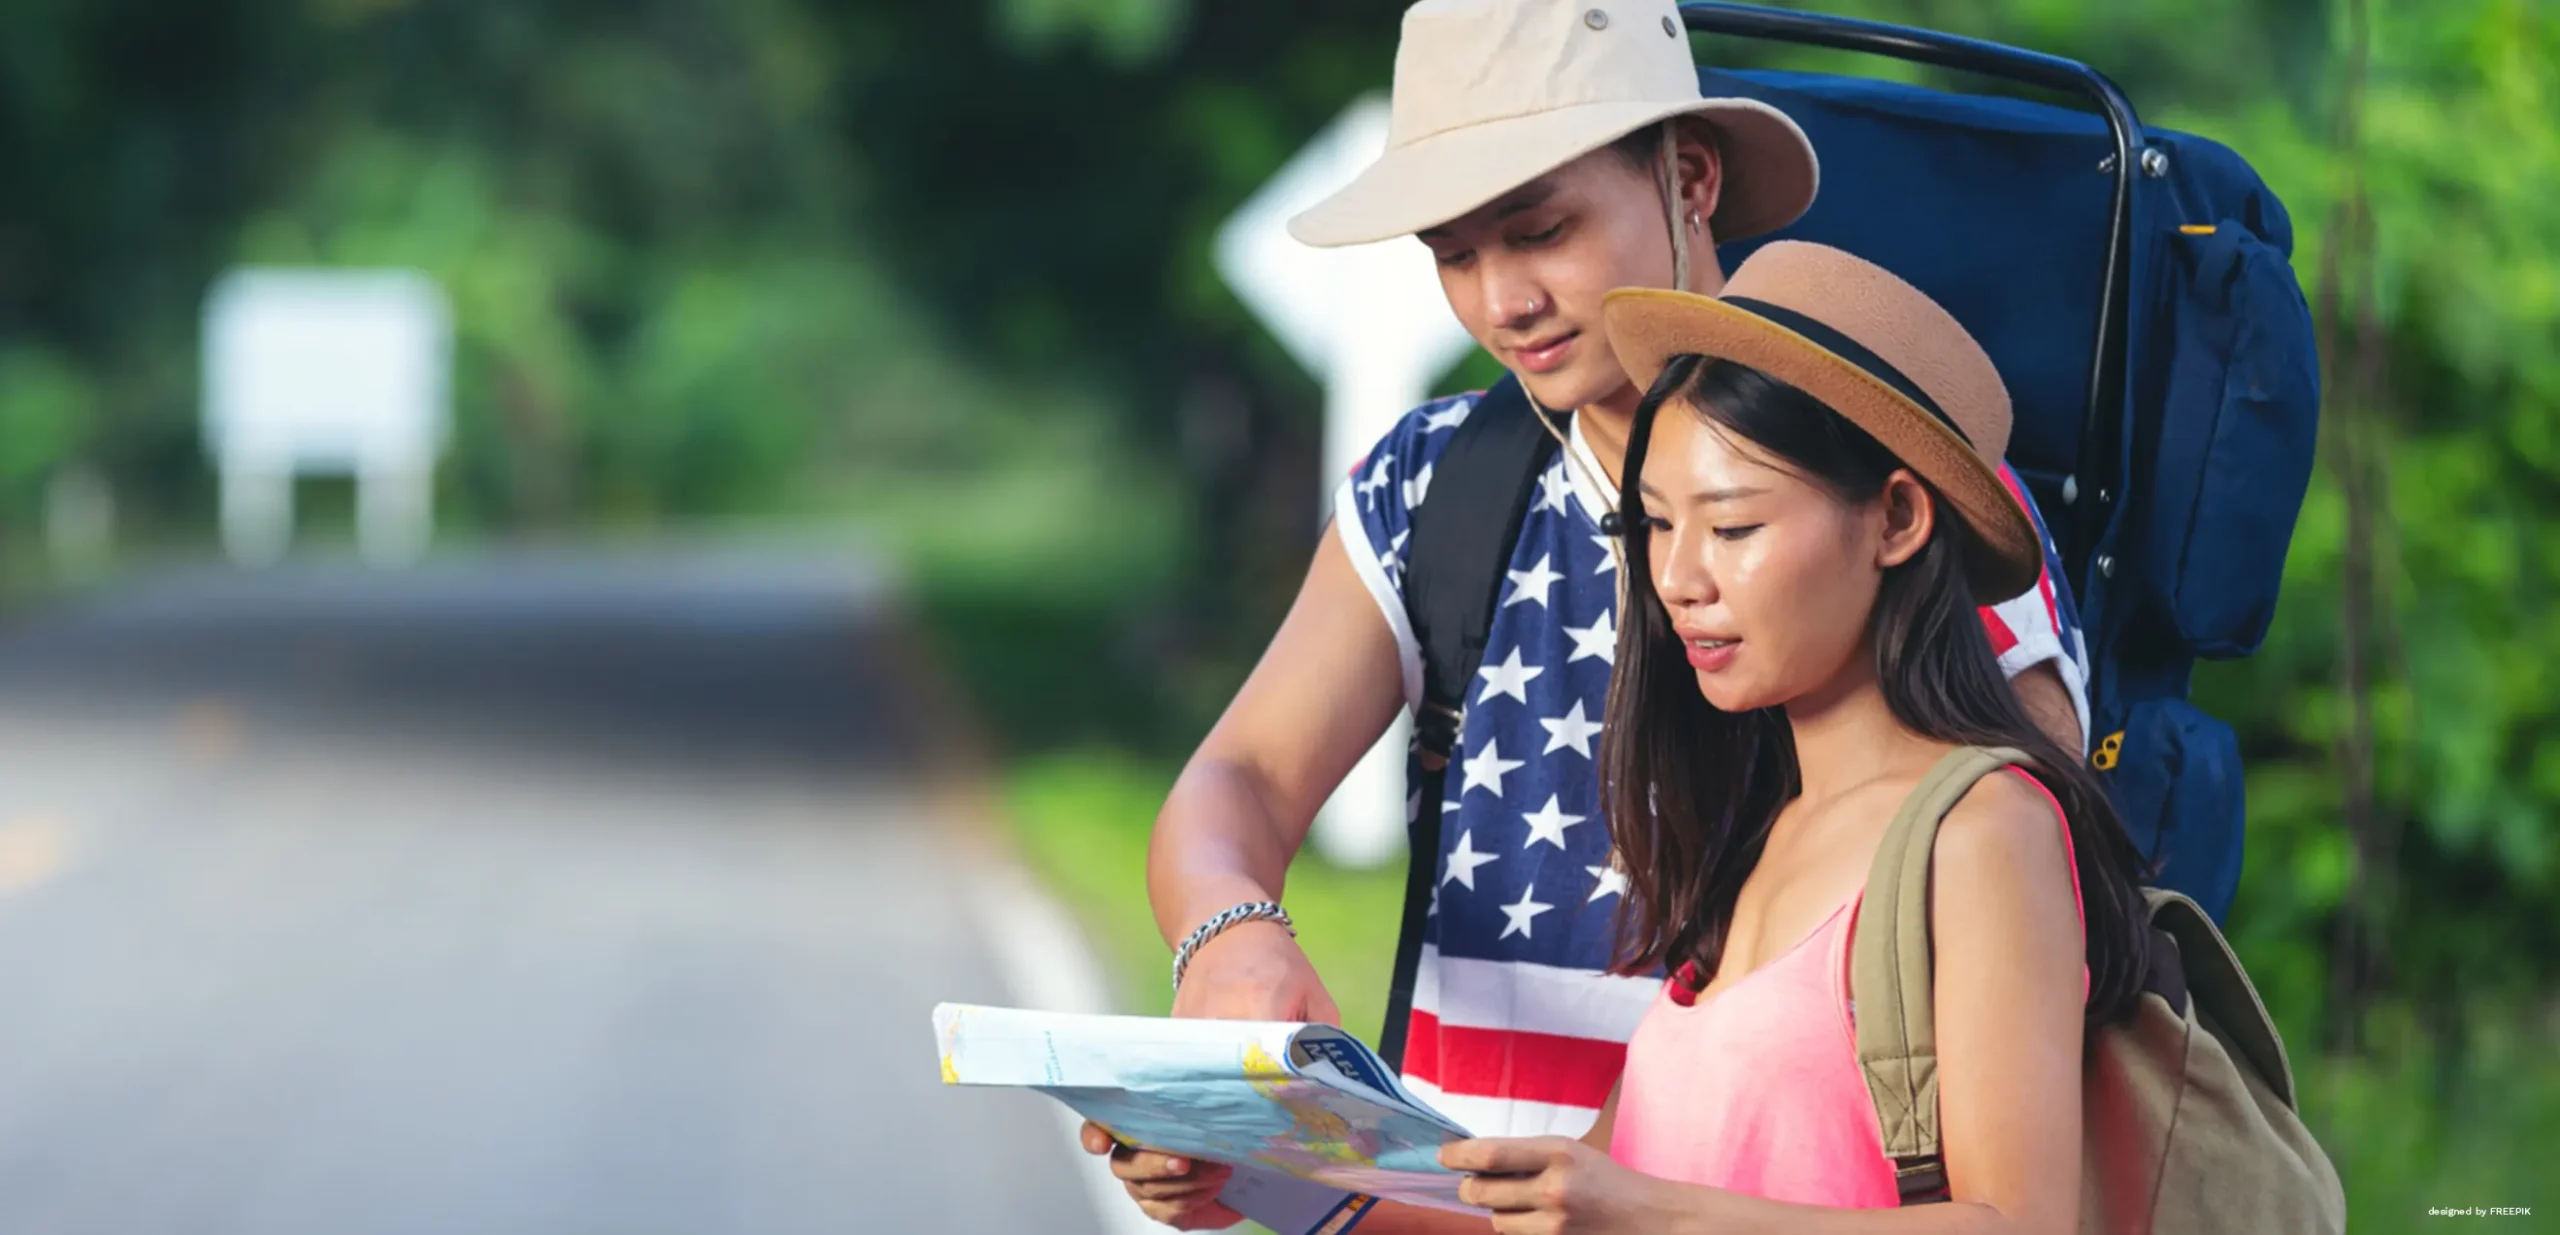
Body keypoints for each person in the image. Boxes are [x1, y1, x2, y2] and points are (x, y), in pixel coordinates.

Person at [1091, 0, 2090, 1226]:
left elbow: (2007, 891)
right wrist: (1232, 946)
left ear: (1688, 177)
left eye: (1540, 229)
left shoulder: (1907, 489)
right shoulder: (1433, 486)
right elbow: (1238, 773)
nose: (1502, 299)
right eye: (1452, 253)